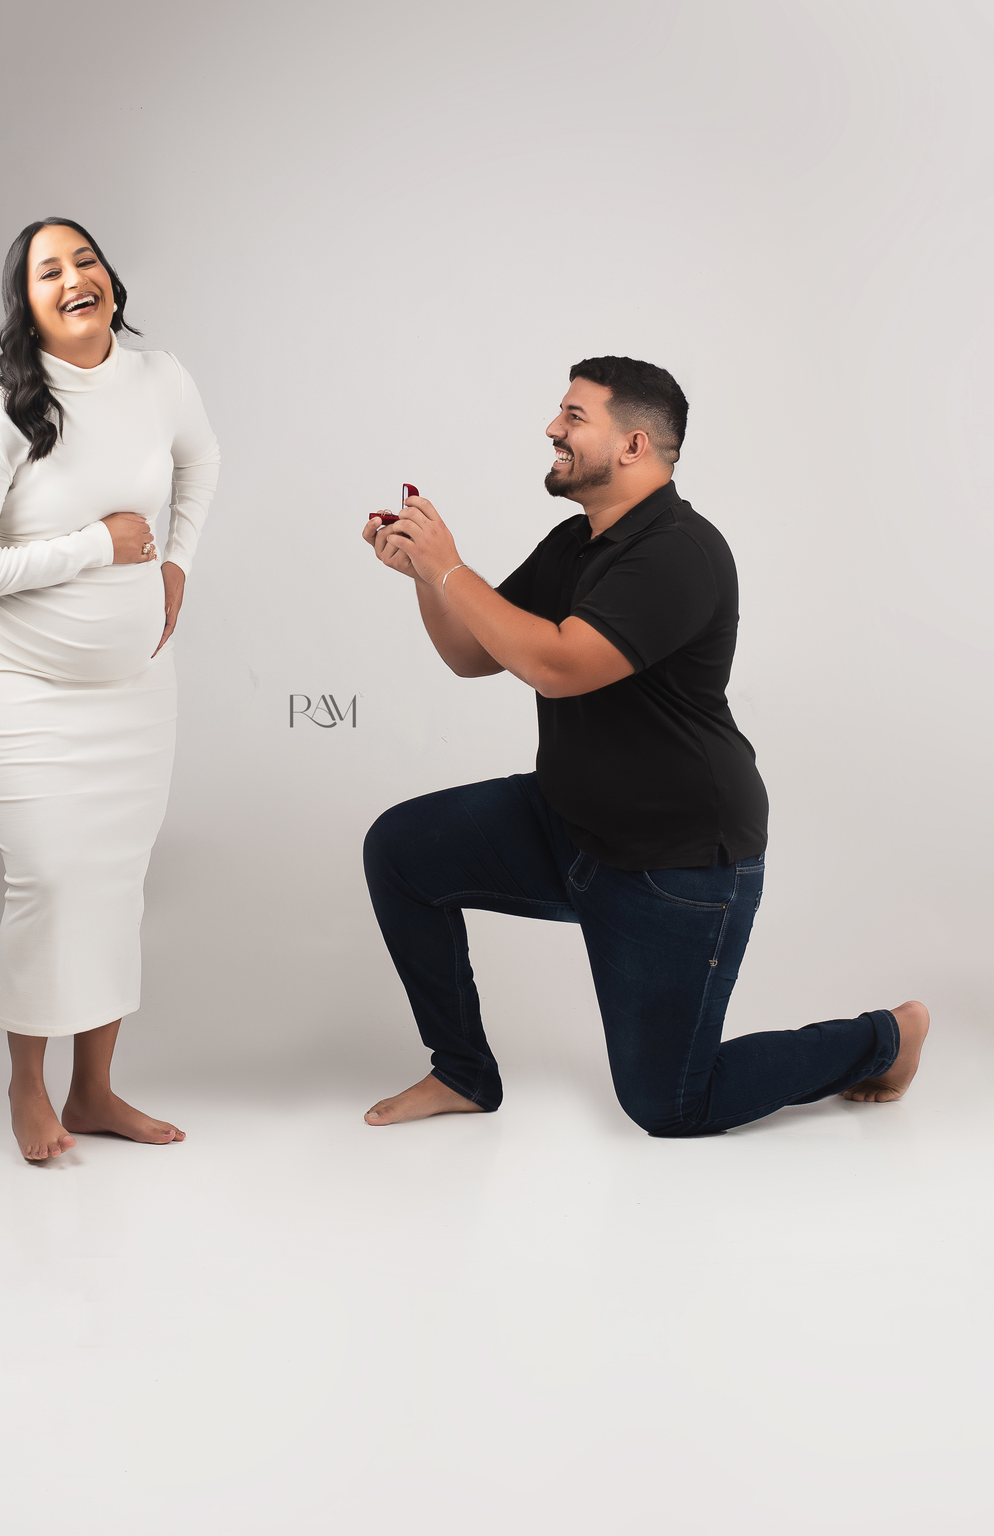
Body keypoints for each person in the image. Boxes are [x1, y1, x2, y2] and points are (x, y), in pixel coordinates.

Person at [360, 356, 927, 1134]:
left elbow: (559, 666)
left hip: (675, 861)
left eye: (574, 416)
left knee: (671, 1105)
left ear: (633, 444)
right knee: (402, 850)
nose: (552, 428)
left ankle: (886, 1038)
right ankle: (461, 1072)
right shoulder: (574, 543)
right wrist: (426, 576)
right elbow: (473, 653)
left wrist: (450, 566)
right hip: (570, 824)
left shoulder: (681, 552)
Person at [0, 219, 219, 1161]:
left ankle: (93, 1091)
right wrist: (98, 545)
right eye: (47, 271)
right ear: (28, 306)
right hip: (19, 688)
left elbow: (201, 461)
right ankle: (28, 1085)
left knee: (115, 882)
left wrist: (175, 562)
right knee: (51, 880)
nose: (73, 278)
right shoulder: (5, 413)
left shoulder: (160, 379)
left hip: (135, 691)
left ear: (111, 282)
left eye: (84, 261)